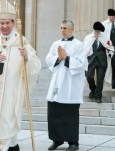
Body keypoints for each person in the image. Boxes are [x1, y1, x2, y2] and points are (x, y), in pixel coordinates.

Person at [0, 0, 41, 151]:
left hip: (10, 92)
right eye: (1, 23)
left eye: (7, 23)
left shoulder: (21, 42)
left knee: (7, 122)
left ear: (13, 23)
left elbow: (35, 64)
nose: (4, 26)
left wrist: (26, 56)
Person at [45, 20, 87, 151]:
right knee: (54, 112)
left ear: (72, 29)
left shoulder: (79, 45)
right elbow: (48, 59)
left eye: (65, 28)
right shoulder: (56, 44)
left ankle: (73, 142)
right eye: (61, 28)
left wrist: (66, 58)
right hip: (57, 82)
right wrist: (58, 58)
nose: (62, 30)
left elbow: (82, 63)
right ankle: (56, 140)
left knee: (70, 114)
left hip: (71, 84)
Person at [83, 22, 114, 103]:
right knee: (89, 76)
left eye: (98, 31)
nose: (97, 33)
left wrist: (111, 52)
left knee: (100, 79)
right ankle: (93, 90)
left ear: (100, 31)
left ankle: (98, 96)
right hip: (91, 60)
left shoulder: (104, 38)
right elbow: (84, 48)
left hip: (102, 61)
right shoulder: (88, 37)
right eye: (95, 31)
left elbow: (110, 47)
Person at [102, 9, 115, 84]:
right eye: (110, 17)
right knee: (109, 64)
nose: (111, 18)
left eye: (113, 17)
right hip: (108, 46)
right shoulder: (104, 24)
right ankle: (108, 79)